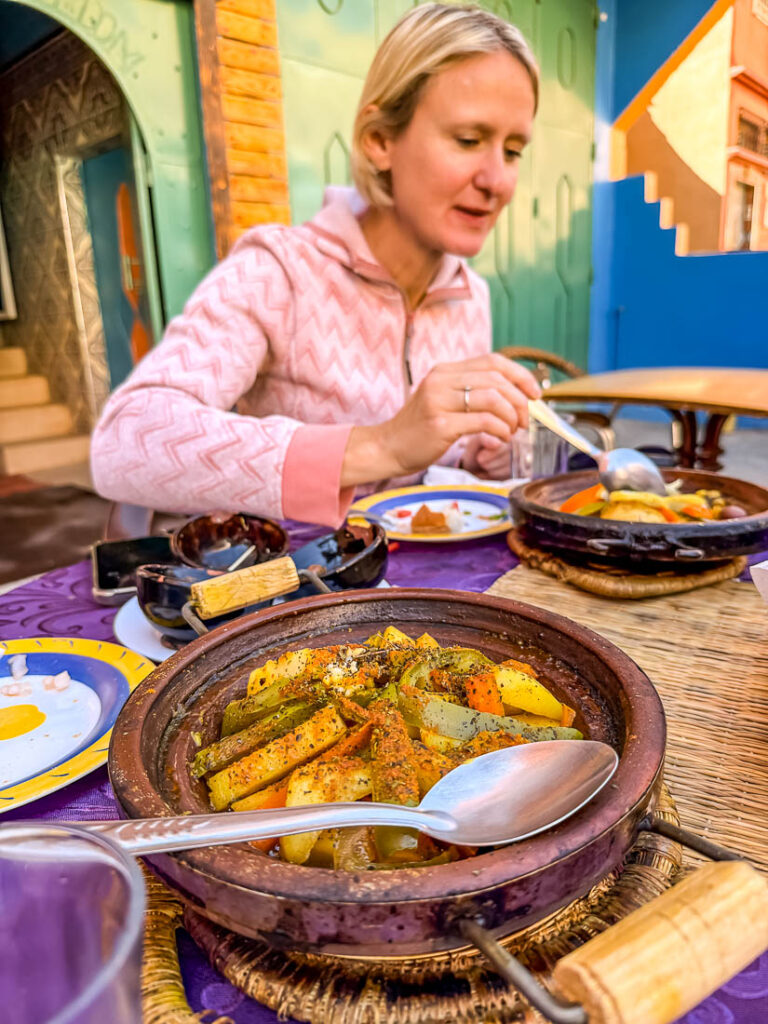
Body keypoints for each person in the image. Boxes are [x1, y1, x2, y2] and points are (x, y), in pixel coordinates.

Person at [90, 3, 541, 527]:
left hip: (433, 594)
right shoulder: (280, 271)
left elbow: (438, 476)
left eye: (513, 151)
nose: (498, 181)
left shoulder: (470, 294)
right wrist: (382, 446)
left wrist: (483, 455)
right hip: (308, 596)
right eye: (468, 140)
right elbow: (125, 442)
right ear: (379, 141)